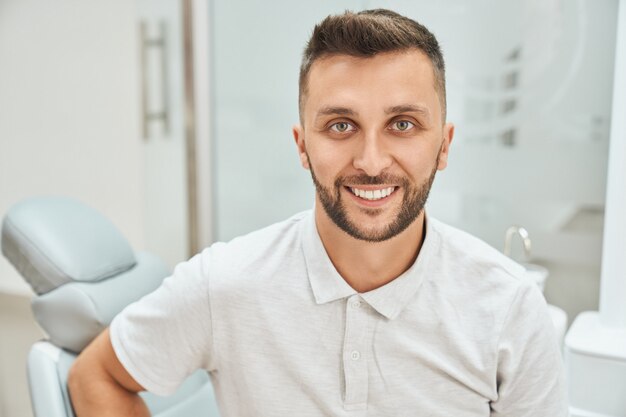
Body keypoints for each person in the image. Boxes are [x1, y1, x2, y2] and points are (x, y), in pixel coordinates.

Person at [68, 9, 567, 416]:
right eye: (341, 126)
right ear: (302, 145)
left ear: (444, 144)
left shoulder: (509, 308)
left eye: (403, 124)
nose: (372, 162)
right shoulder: (223, 285)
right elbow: (97, 376)